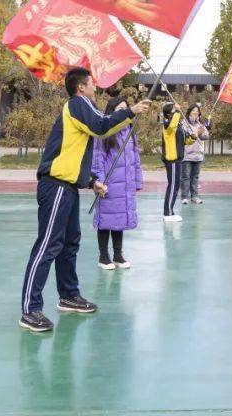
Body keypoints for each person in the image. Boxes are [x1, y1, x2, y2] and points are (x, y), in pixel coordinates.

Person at [19, 67, 150, 333]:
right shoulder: (78, 104)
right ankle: (30, 310)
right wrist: (131, 111)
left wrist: (91, 181)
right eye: (92, 83)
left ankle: (68, 296)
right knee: (47, 245)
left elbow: (76, 153)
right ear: (81, 87)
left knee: (70, 243)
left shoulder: (82, 108)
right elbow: (102, 127)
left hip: (68, 187)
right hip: (55, 186)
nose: (95, 87)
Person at [91, 96, 144, 271]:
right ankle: (103, 256)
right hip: (109, 183)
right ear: (111, 112)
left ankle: (118, 254)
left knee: (119, 219)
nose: (122, 112)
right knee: (106, 219)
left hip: (125, 183)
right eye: (118, 109)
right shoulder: (105, 132)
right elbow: (98, 158)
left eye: (125, 108)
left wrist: (136, 180)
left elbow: (135, 158)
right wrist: (98, 180)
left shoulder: (130, 130)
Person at [160, 101, 193, 222]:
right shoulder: (167, 123)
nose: (177, 111)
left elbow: (184, 141)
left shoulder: (178, 125)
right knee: (173, 185)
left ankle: (170, 211)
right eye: (174, 110)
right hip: (172, 159)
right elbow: (171, 127)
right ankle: (167, 213)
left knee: (175, 185)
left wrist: (193, 137)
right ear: (169, 113)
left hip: (178, 158)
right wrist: (178, 111)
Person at [180, 103, 209, 206]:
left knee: (195, 177)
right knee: (186, 176)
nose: (195, 113)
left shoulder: (200, 124)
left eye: (197, 111)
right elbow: (184, 136)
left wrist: (202, 133)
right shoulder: (184, 123)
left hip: (198, 155)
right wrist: (196, 133)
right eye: (193, 111)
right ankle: (184, 197)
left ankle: (194, 196)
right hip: (187, 155)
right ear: (189, 112)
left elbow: (205, 137)